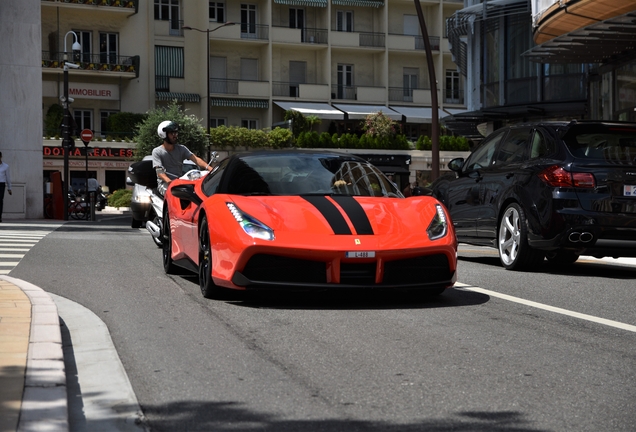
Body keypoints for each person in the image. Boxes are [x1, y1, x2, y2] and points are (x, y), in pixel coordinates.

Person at [152, 121, 209, 196]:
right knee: (176, 195)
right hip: (165, 184)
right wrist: (170, 182)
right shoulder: (157, 151)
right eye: (172, 133)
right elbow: (159, 171)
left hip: (179, 181)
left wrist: (211, 169)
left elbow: (196, 159)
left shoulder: (181, 149)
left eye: (176, 133)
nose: (175, 135)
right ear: (164, 135)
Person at [0, 152, 12, 222]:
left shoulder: (5, 166)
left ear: (1, 157)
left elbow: (8, 177)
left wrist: (9, 188)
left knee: (0, 200)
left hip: (1, 184)